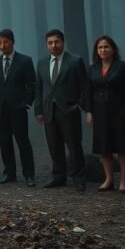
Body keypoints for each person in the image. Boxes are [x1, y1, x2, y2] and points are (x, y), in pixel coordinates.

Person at [34, 29, 89, 191]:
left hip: (69, 110)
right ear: (46, 45)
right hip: (49, 110)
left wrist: (78, 105)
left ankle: (79, 177)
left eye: (57, 42)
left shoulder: (75, 61)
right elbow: (39, 88)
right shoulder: (42, 63)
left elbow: (85, 86)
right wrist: (38, 110)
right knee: (54, 145)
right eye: (50, 43)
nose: (54, 45)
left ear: (63, 42)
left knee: (74, 145)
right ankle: (58, 176)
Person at [87, 35, 125, 193]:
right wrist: (89, 111)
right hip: (99, 110)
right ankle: (108, 179)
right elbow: (89, 91)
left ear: (113, 49)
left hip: (120, 110)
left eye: (106, 47)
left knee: (122, 146)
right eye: (100, 47)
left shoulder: (123, 66)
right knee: (104, 146)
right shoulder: (92, 68)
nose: (103, 50)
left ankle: (124, 180)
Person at [0, 29, 37, 186]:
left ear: (13, 42)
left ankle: (29, 175)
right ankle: (9, 173)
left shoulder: (25, 61)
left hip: (18, 108)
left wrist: (26, 102)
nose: (2, 46)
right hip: (0, 109)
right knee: (4, 142)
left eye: (5, 42)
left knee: (23, 141)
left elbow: (32, 84)